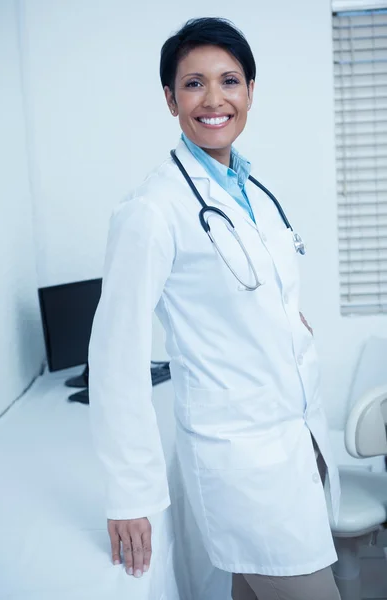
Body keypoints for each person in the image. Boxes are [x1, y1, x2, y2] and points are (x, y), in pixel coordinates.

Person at [88, 17, 341, 600]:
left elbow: (254, 295)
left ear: (250, 91)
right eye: (193, 83)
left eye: (229, 80)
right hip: (243, 460)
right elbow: (116, 356)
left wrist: (289, 323)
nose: (214, 98)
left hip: (298, 436)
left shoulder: (251, 189)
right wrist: (129, 494)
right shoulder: (153, 210)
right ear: (170, 100)